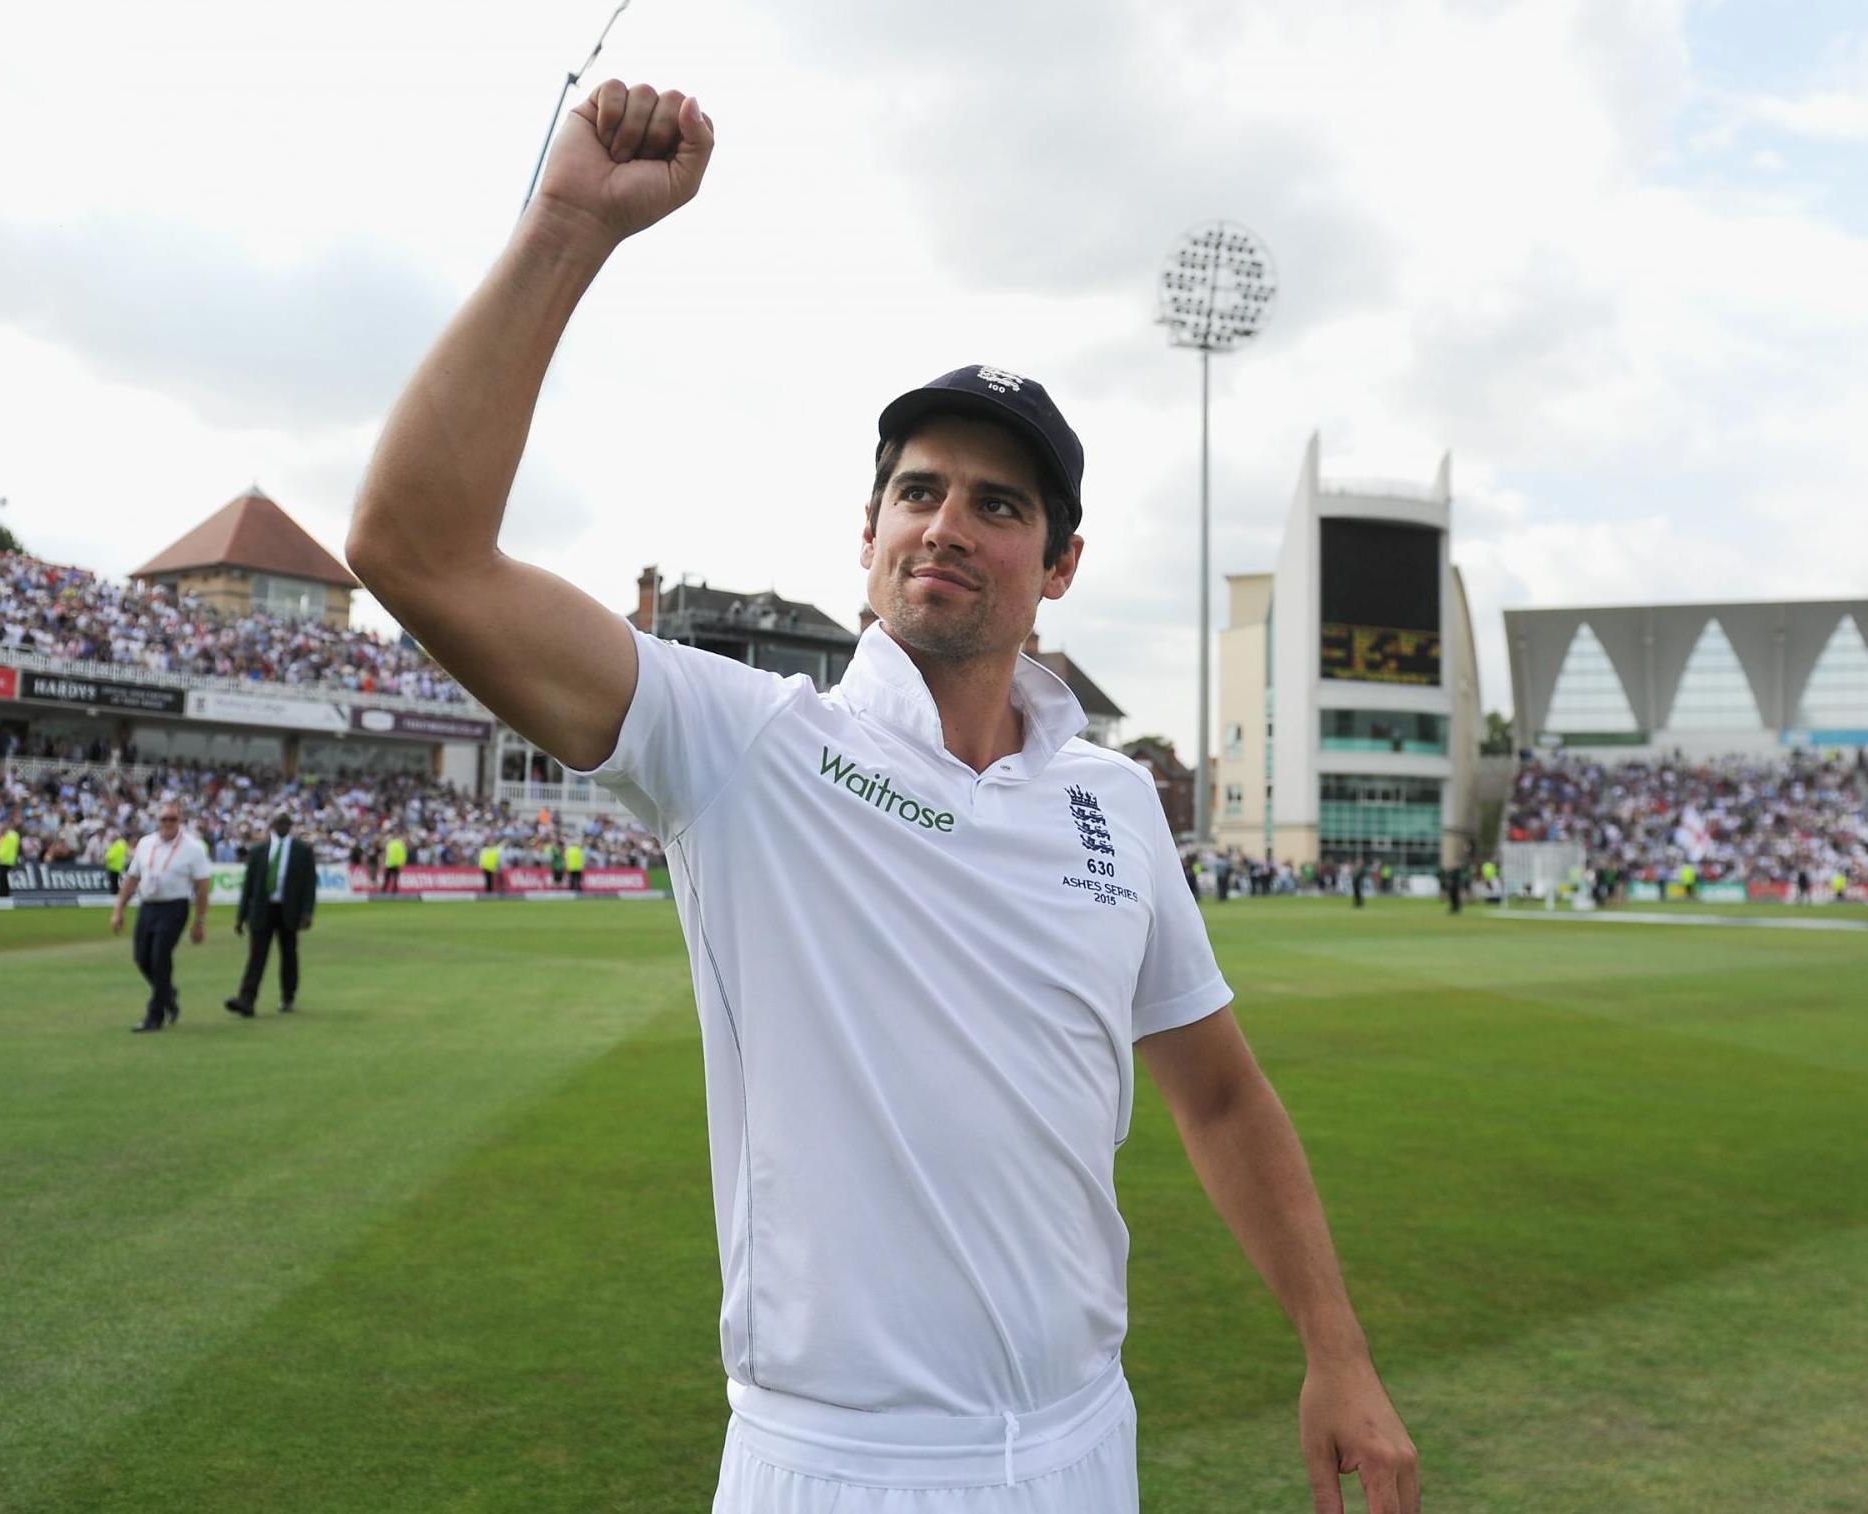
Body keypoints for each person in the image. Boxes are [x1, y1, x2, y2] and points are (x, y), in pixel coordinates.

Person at [343, 78, 1417, 1514]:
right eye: (919, 491)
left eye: (997, 503)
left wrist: (1334, 1351)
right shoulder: (742, 744)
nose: (948, 526)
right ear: (867, 534)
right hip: (835, 1466)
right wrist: (567, 228)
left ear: (1060, 563)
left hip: (1085, 1445)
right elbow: (415, 547)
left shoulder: (1110, 801)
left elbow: (1219, 1096)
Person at [110, 800, 212, 1032]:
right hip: (148, 906)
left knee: (160, 957)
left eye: (172, 819)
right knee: (142, 958)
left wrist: (200, 921)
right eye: (164, 819)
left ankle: (154, 1015)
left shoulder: (193, 848)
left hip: (174, 907)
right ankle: (167, 994)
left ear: (180, 820)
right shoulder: (146, 844)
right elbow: (132, 878)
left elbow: (202, 888)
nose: (168, 823)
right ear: (157, 821)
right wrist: (119, 910)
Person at [225, 812, 316, 1018]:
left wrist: (307, 912)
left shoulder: (302, 851)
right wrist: (241, 917)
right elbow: (248, 886)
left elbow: (310, 883)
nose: (283, 826)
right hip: (262, 910)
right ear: (272, 825)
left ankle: (287, 996)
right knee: (257, 956)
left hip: (289, 909)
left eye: (286, 823)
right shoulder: (258, 851)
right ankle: (246, 1000)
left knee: (289, 955)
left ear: (291, 826)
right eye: (279, 823)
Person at [0, 823, 20, 897]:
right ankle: (4, 892)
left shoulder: (9, 836)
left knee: (2, 877)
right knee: (4, 877)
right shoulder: (13, 835)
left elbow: (5, 848)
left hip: (5, 859)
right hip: (8, 859)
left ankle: (3, 892)